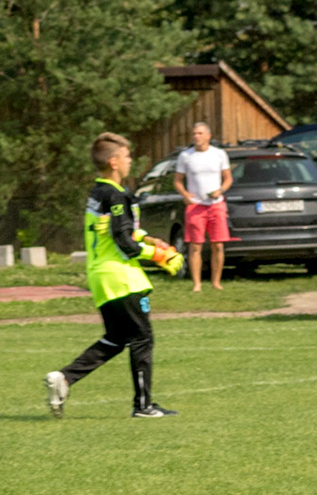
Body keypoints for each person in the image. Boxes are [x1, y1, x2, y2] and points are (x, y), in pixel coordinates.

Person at [46, 133, 184, 419]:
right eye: (126, 155)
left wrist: (149, 239)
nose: (130, 160)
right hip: (122, 278)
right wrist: (157, 256)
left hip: (100, 276)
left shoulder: (99, 192)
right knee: (143, 338)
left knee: (118, 338)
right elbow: (123, 240)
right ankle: (143, 406)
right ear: (113, 161)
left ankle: (65, 378)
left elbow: (118, 230)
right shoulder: (116, 195)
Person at [176, 122, 233, 292]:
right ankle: (197, 284)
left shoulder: (219, 154)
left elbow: (228, 178)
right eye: (194, 133)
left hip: (216, 205)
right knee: (195, 246)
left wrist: (220, 190)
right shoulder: (185, 156)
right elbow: (178, 181)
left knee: (218, 245)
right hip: (195, 206)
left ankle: (216, 282)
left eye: (200, 133)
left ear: (208, 136)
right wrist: (185, 195)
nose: (196, 137)